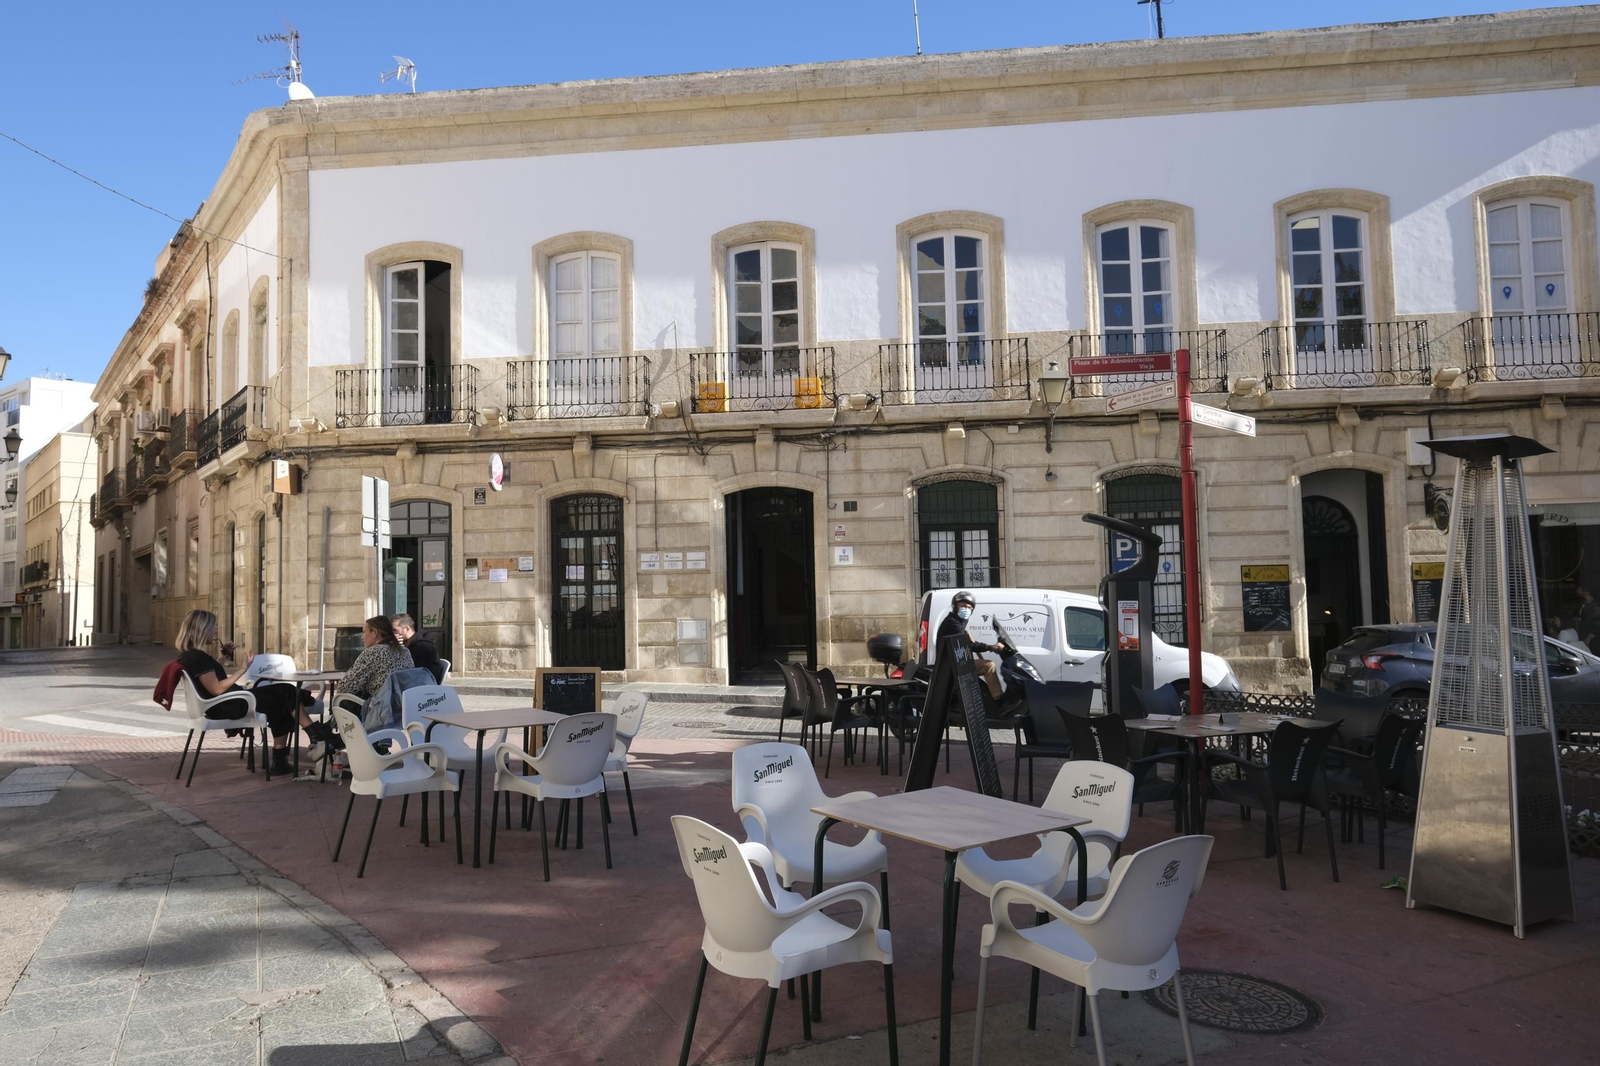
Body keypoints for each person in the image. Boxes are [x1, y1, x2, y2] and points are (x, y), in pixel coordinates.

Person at [172, 609, 309, 775]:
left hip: (225, 702)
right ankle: (316, 736)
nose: (216, 630)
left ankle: (282, 759)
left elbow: (209, 675)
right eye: (213, 627)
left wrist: (223, 656)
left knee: (284, 699)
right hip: (229, 704)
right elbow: (216, 688)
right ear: (202, 629)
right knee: (287, 692)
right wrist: (244, 668)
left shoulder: (190, 656)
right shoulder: (197, 657)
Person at [936, 590, 1004, 700]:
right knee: (989, 666)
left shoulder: (958, 621)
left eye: (969, 607)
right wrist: (991, 647)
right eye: (962, 606)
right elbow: (967, 645)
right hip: (951, 665)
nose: (966, 609)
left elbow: (966, 641)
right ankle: (999, 700)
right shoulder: (953, 623)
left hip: (955, 662)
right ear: (955, 607)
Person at [392, 613, 442, 684]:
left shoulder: (422, 646)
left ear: (407, 629)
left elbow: (416, 673)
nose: (393, 634)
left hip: (421, 688)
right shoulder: (407, 644)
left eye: (395, 630)